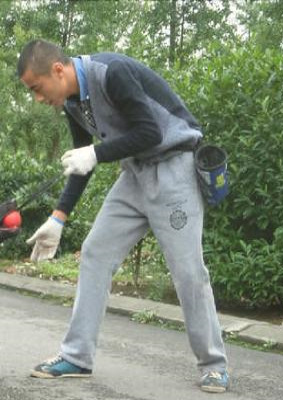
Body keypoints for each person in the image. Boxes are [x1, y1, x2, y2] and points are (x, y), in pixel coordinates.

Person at [18, 39, 229, 393]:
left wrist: (96, 154)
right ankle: (77, 356)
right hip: (134, 175)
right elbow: (84, 162)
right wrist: (58, 218)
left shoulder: (112, 73)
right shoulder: (73, 103)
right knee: (96, 251)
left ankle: (213, 365)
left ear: (57, 69)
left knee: (188, 270)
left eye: (37, 89)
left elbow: (151, 132)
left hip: (174, 168)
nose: (38, 99)